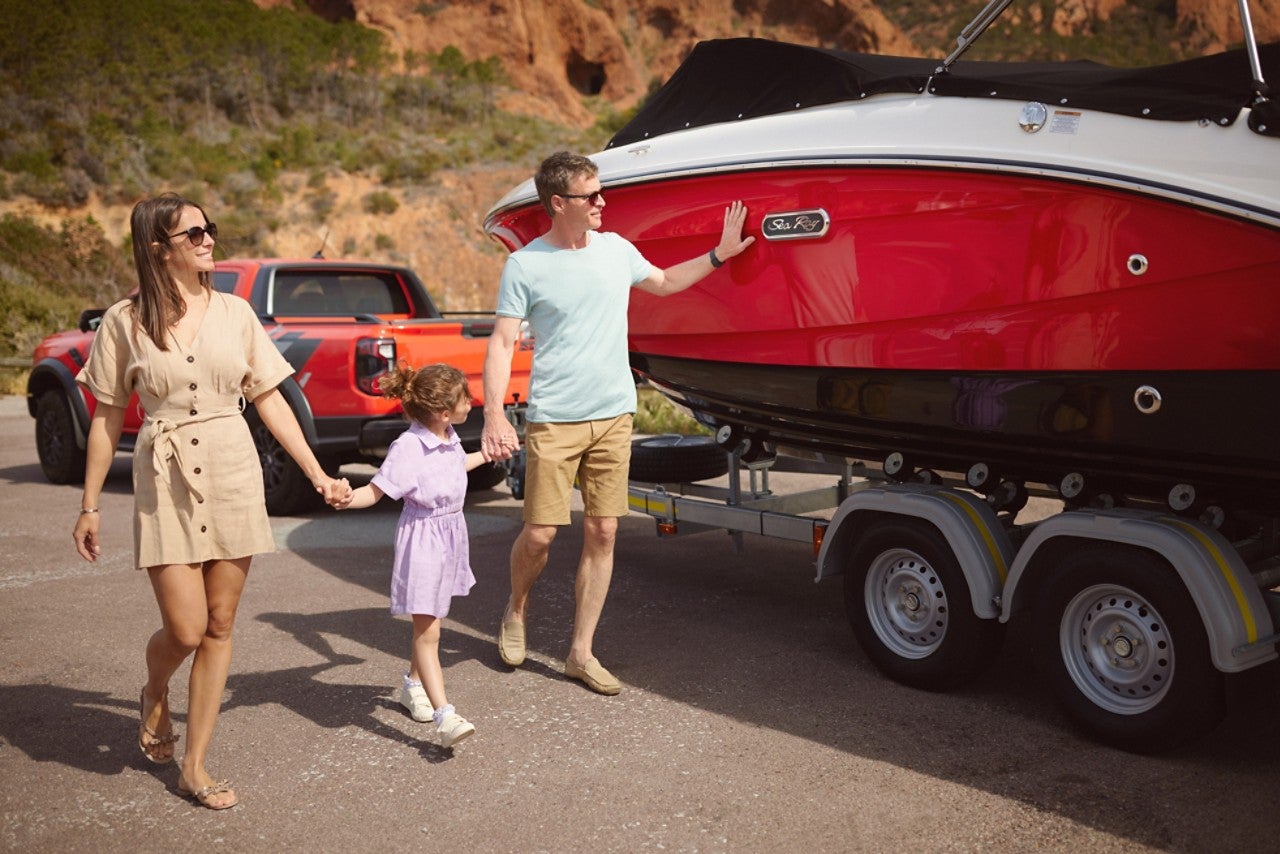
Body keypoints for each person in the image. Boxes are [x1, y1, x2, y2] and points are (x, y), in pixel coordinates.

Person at [72, 193, 350, 810]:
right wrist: (90, 504)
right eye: (192, 232)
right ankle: (153, 688)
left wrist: (316, 472)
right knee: (186, 627)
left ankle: (194, 766)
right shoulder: (125, 320)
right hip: (163, 473)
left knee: (220, 626)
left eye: (208, 229)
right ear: (158, 249)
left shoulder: (236, 313)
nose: (207, 239)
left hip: (231, 468)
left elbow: (272, 398)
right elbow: (106, 417)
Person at [481, 151, 754, 695]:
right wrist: (493, 413)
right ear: (559, 204)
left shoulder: (616, 249)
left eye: (602, 193)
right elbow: (503, 341)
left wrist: (718, 256)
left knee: (604, 530)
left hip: (613, 413)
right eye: (592, 196)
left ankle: (580, 652)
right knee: (539, 535)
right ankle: (516, 608)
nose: (604, 203)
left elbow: (664, 282)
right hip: (556, 419)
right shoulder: (527, 265)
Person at [334, 362, 485, 749]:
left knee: (432, 619)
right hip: (424, 541)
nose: (472, 401)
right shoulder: (408, 447)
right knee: (428, 630)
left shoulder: (448, 436)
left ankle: (412, 685)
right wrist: (348, 498)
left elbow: (454, 467)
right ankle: (445, 716)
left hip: (450, 535)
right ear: (443, 411)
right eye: (465, 397)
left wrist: (486, 455)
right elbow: (377, 490)